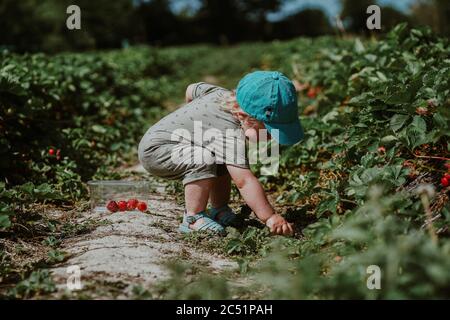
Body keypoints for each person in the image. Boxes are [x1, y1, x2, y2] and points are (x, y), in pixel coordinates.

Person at [138, 71, 303, 236]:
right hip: (157, 151)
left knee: (219, 157)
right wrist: (270, 216)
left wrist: (193, 119)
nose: (271, 138)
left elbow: (191, 90)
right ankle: (193, 218)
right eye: (269, 131)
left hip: (160, 143)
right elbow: (243, 181)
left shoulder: (220, 94)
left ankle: (219, 209)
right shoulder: (230, 133)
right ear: (243, 116)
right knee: (203, 157)